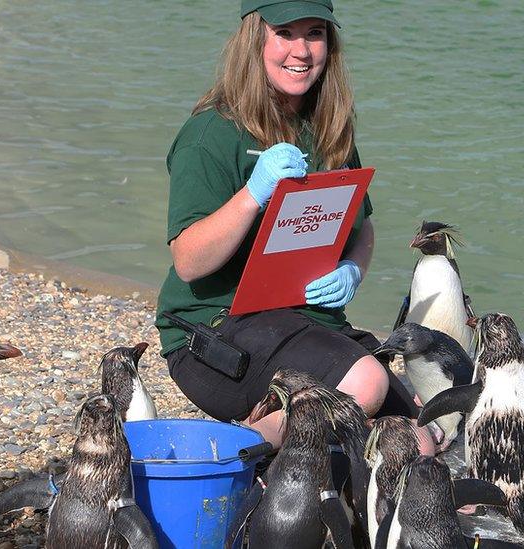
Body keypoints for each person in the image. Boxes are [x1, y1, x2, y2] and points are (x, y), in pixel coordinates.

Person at [155, 0, 437, 453]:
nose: (301, 50)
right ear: (254, 38)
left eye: (315, 33)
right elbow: (188, 262)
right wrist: (253, 194)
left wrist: (352, 271)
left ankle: (306, 454)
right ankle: (244, 456)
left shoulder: (328, 129)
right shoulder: (211, 133)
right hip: (213, 333)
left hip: (306, 321)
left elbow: (361, 227)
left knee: (418, 443)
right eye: (285, 32)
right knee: (364, 384)